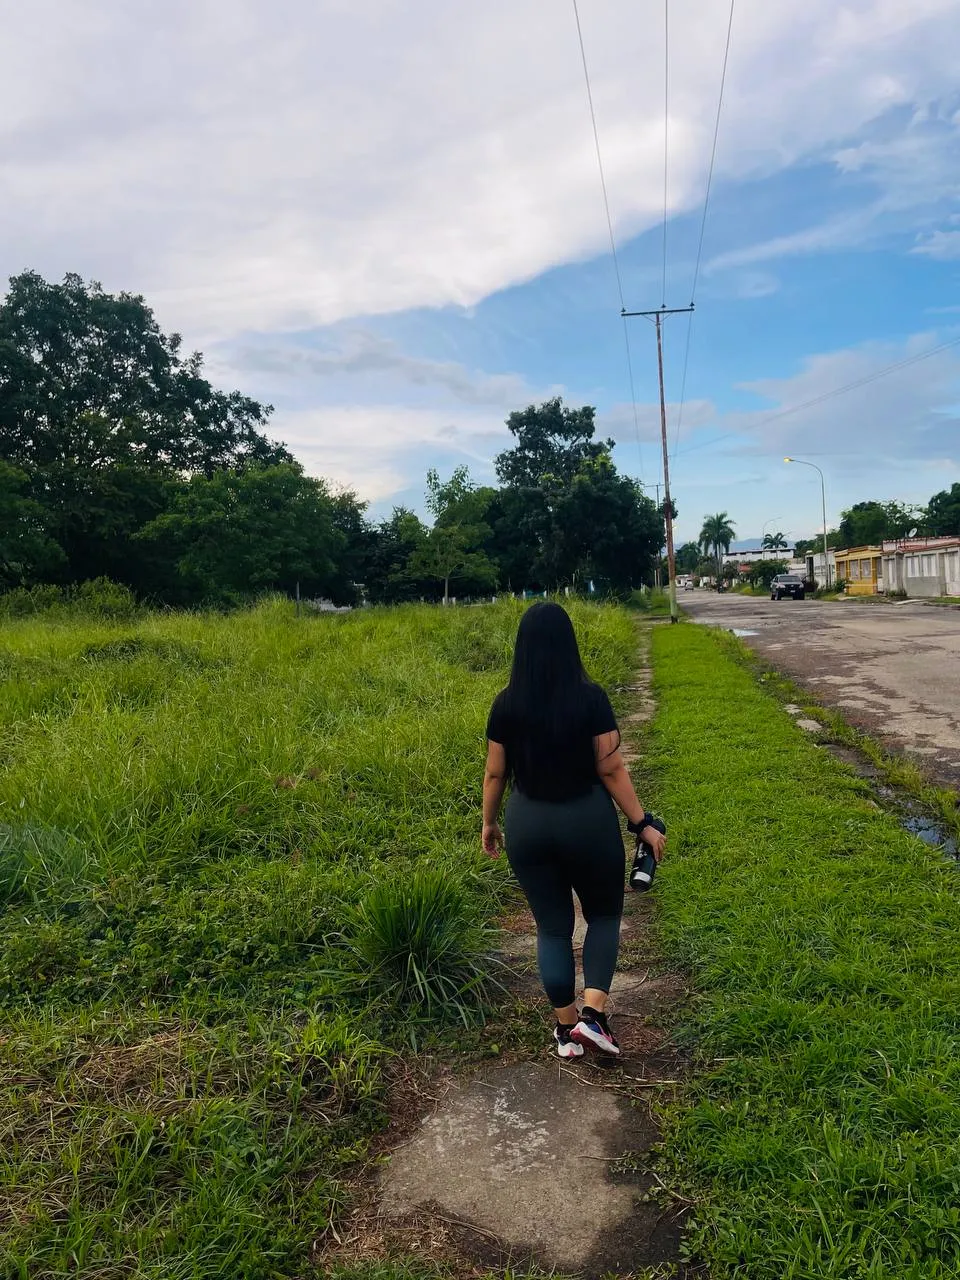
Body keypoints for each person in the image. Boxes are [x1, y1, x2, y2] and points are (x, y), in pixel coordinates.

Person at [482, 601, 666, 1059]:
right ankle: (594, 1016)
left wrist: (488, 823)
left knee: (551, 928)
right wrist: (641, 822)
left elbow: (494, 775)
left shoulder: (505, 704)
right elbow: (612, 769)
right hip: (586, 820)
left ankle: (566, 1033)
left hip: (527, 822)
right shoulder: (591, 698)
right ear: (570, 645)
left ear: (521, 649)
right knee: (602, 916)